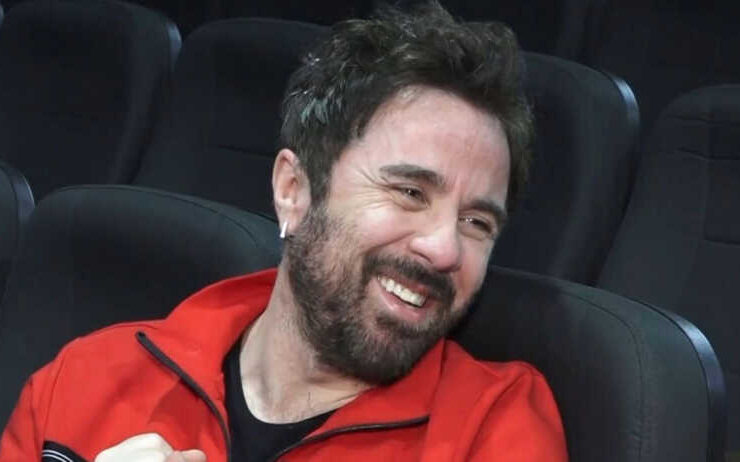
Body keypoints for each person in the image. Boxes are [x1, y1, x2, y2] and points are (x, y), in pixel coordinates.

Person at [0, 2, 567, 461]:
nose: (444, 248)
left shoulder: (493, 428)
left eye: (476, 222)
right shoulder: (87, 378)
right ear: (294, 190)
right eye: (410, 192)